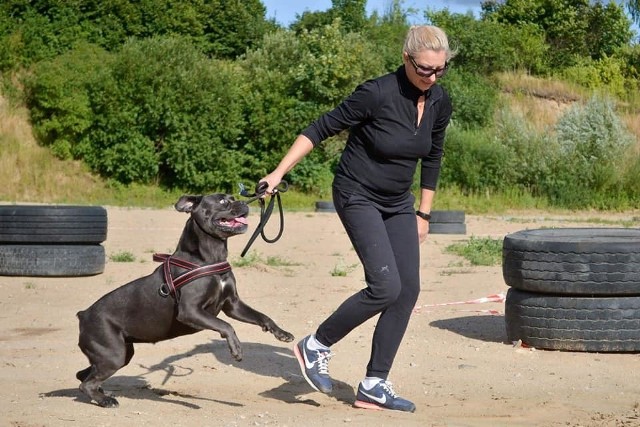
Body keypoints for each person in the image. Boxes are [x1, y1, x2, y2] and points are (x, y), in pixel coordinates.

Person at [259, 25, 454, 413]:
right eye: (424, 70)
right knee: (385, 286)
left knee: (408, 289)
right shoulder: (376, 93)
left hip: (399, 202)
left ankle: (374, 384)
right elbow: (319, 129)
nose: (431, 78)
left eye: (440, 70)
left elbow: (433, 155)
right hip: (357, 193)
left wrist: (424, 213)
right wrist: (278, 173)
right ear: (406, 58)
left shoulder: (439, 101)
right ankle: (315, 345)